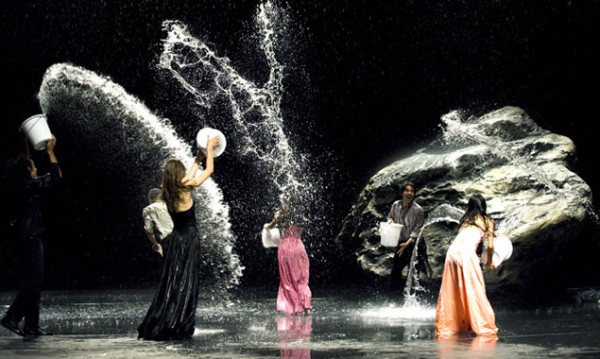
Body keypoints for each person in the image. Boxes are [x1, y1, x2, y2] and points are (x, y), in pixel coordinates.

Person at [137, 135, 220, 341]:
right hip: (189, 240)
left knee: (173, 282)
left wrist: (197, 160)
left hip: (175, 241)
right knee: (187, 282)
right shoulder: (186, 186)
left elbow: (191, 175)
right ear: (180, 175)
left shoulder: (169, 191)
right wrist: (209, 149)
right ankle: (180, 322)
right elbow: (210, 171)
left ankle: (167, 318)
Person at [1, 135, 62, 337]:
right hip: (30, 236)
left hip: (20, 237)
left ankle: (31, 326)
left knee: (32, 280)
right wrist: (50, 151)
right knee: (33, 281)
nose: (36, 170)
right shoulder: (28, 186)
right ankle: (11, 318)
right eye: (33, 167)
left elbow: (29, 164)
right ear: (27, 171)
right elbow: (56, 178)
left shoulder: (18, 186)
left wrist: (24, 139)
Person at [434, 193, 498, 338]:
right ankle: (482, 325)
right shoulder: (487, 221)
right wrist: (489, 261)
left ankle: (455, 324)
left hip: (452, 254)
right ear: (483, 206)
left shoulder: (464, 220)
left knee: (453, 290)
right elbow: (490, 247)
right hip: (466, 254)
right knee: (475, 289)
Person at [264, 196, 312, 316]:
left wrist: (267, 226)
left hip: (285, 247)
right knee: (302, 279)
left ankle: (293, 308)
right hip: (298, 246)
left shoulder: (279, 214)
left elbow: (269, 227)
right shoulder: (301, 215)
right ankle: (307, 308)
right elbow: (305, 228)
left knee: (288, 280)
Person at [387, 181, 426, 294]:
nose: (409, 193)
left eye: (412, 191)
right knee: (395, 272)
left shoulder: (418, 210)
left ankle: (412, 301)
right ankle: (394, 299)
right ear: (402, 192)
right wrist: (390, 221)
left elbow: (417, 230)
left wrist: (406, 245)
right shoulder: (396, 205)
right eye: (407, 191)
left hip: (415, 245)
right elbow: (390, 217)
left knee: (413, 274)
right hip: (402, 243)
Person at [142, 187, 174, 257]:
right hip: (182, 237)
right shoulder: (171, 204)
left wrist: (155, 244)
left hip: (167, 240)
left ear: (150, 199)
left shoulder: (148, 209)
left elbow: (148, 230)